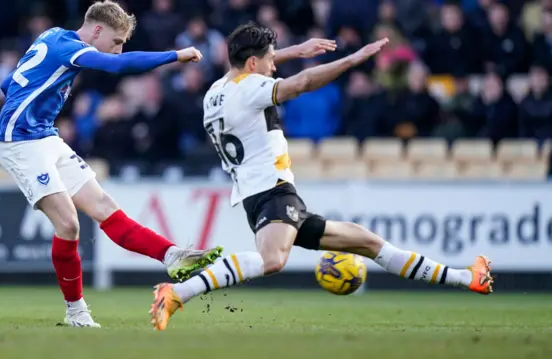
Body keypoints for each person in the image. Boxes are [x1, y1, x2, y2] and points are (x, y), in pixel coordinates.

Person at [149, 23, 494, 331]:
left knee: (370, 243)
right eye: (270, 59)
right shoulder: (252, 89)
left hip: (259, 195)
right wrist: (351, 61)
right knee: (272, 260)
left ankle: (468, 277)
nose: (275, 65)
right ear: (254, 64)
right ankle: (178, 293)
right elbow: (302, 82)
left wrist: (294, 51)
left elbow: (251, 65)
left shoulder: (215, 92)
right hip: (273, 191)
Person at [0, 0, 223, 328]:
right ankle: (76, 312)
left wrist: (23, 93)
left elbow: (9, 82)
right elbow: (118, 67)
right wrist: (175, 55)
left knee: (104, 206)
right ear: (97, 30)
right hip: (19, 142)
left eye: (120, 46)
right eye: (116, 42)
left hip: (44, 136)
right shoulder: (71, 48)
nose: (116, 51)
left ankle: (172, 256)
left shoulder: (52, 36)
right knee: (69, 225)